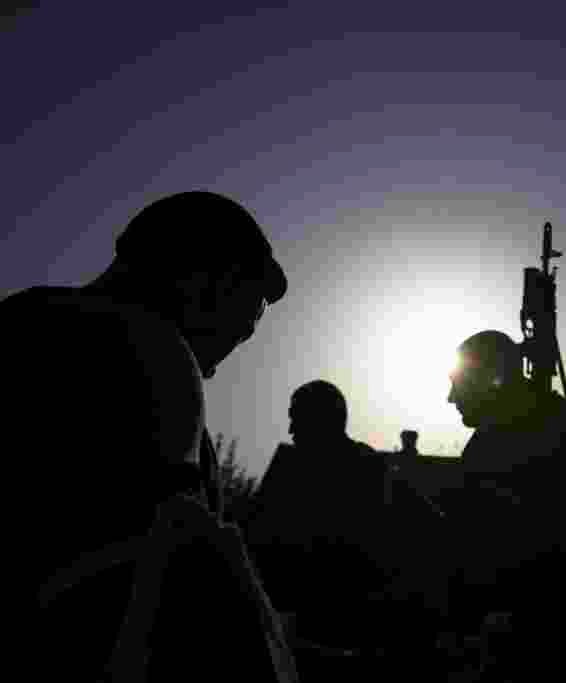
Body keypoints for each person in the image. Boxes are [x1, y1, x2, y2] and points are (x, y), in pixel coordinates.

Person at [7, 190, 294, 681]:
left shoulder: (20, 320)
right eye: (244, 320)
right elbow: (181, 586)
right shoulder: (148, 344)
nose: (238, 341)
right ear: (207, 283)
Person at [250, 379, 448, 673]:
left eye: (297, 419)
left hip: (362, 647)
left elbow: (431, 528)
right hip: (310, 638)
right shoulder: (303, 477)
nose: (291, 431)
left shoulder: (370, 471)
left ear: (322, 419)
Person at [444, 330, 566, 677]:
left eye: (457, 383)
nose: (450, 397)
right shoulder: (516, 437)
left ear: (490, 381)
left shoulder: (508, 444)